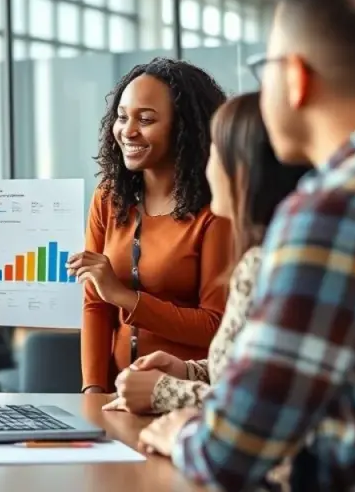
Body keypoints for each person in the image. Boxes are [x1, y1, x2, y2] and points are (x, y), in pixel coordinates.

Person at [139, 0, 355, 491]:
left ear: (297, 78)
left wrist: (186, 429)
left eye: (267, 66)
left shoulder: (338, 209)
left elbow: (233, 451)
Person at [104, 92, 308, 416]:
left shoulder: (265, 266)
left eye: (213, 152)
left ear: (245, 170)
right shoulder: (274, 255)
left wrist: (164, 392)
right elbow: (249, 370)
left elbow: (262, 404)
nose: (205, 167)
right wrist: (188, 370)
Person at [69, 57, 233, 394]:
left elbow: (216, 325)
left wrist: (124, 297)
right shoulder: (109, 197)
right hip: (116, 394)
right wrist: (93, 389)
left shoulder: (217, 209)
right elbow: (96, 305)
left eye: (145, 119)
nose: (128, 131)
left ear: (185, 127)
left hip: (185, 396)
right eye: (122, 117)